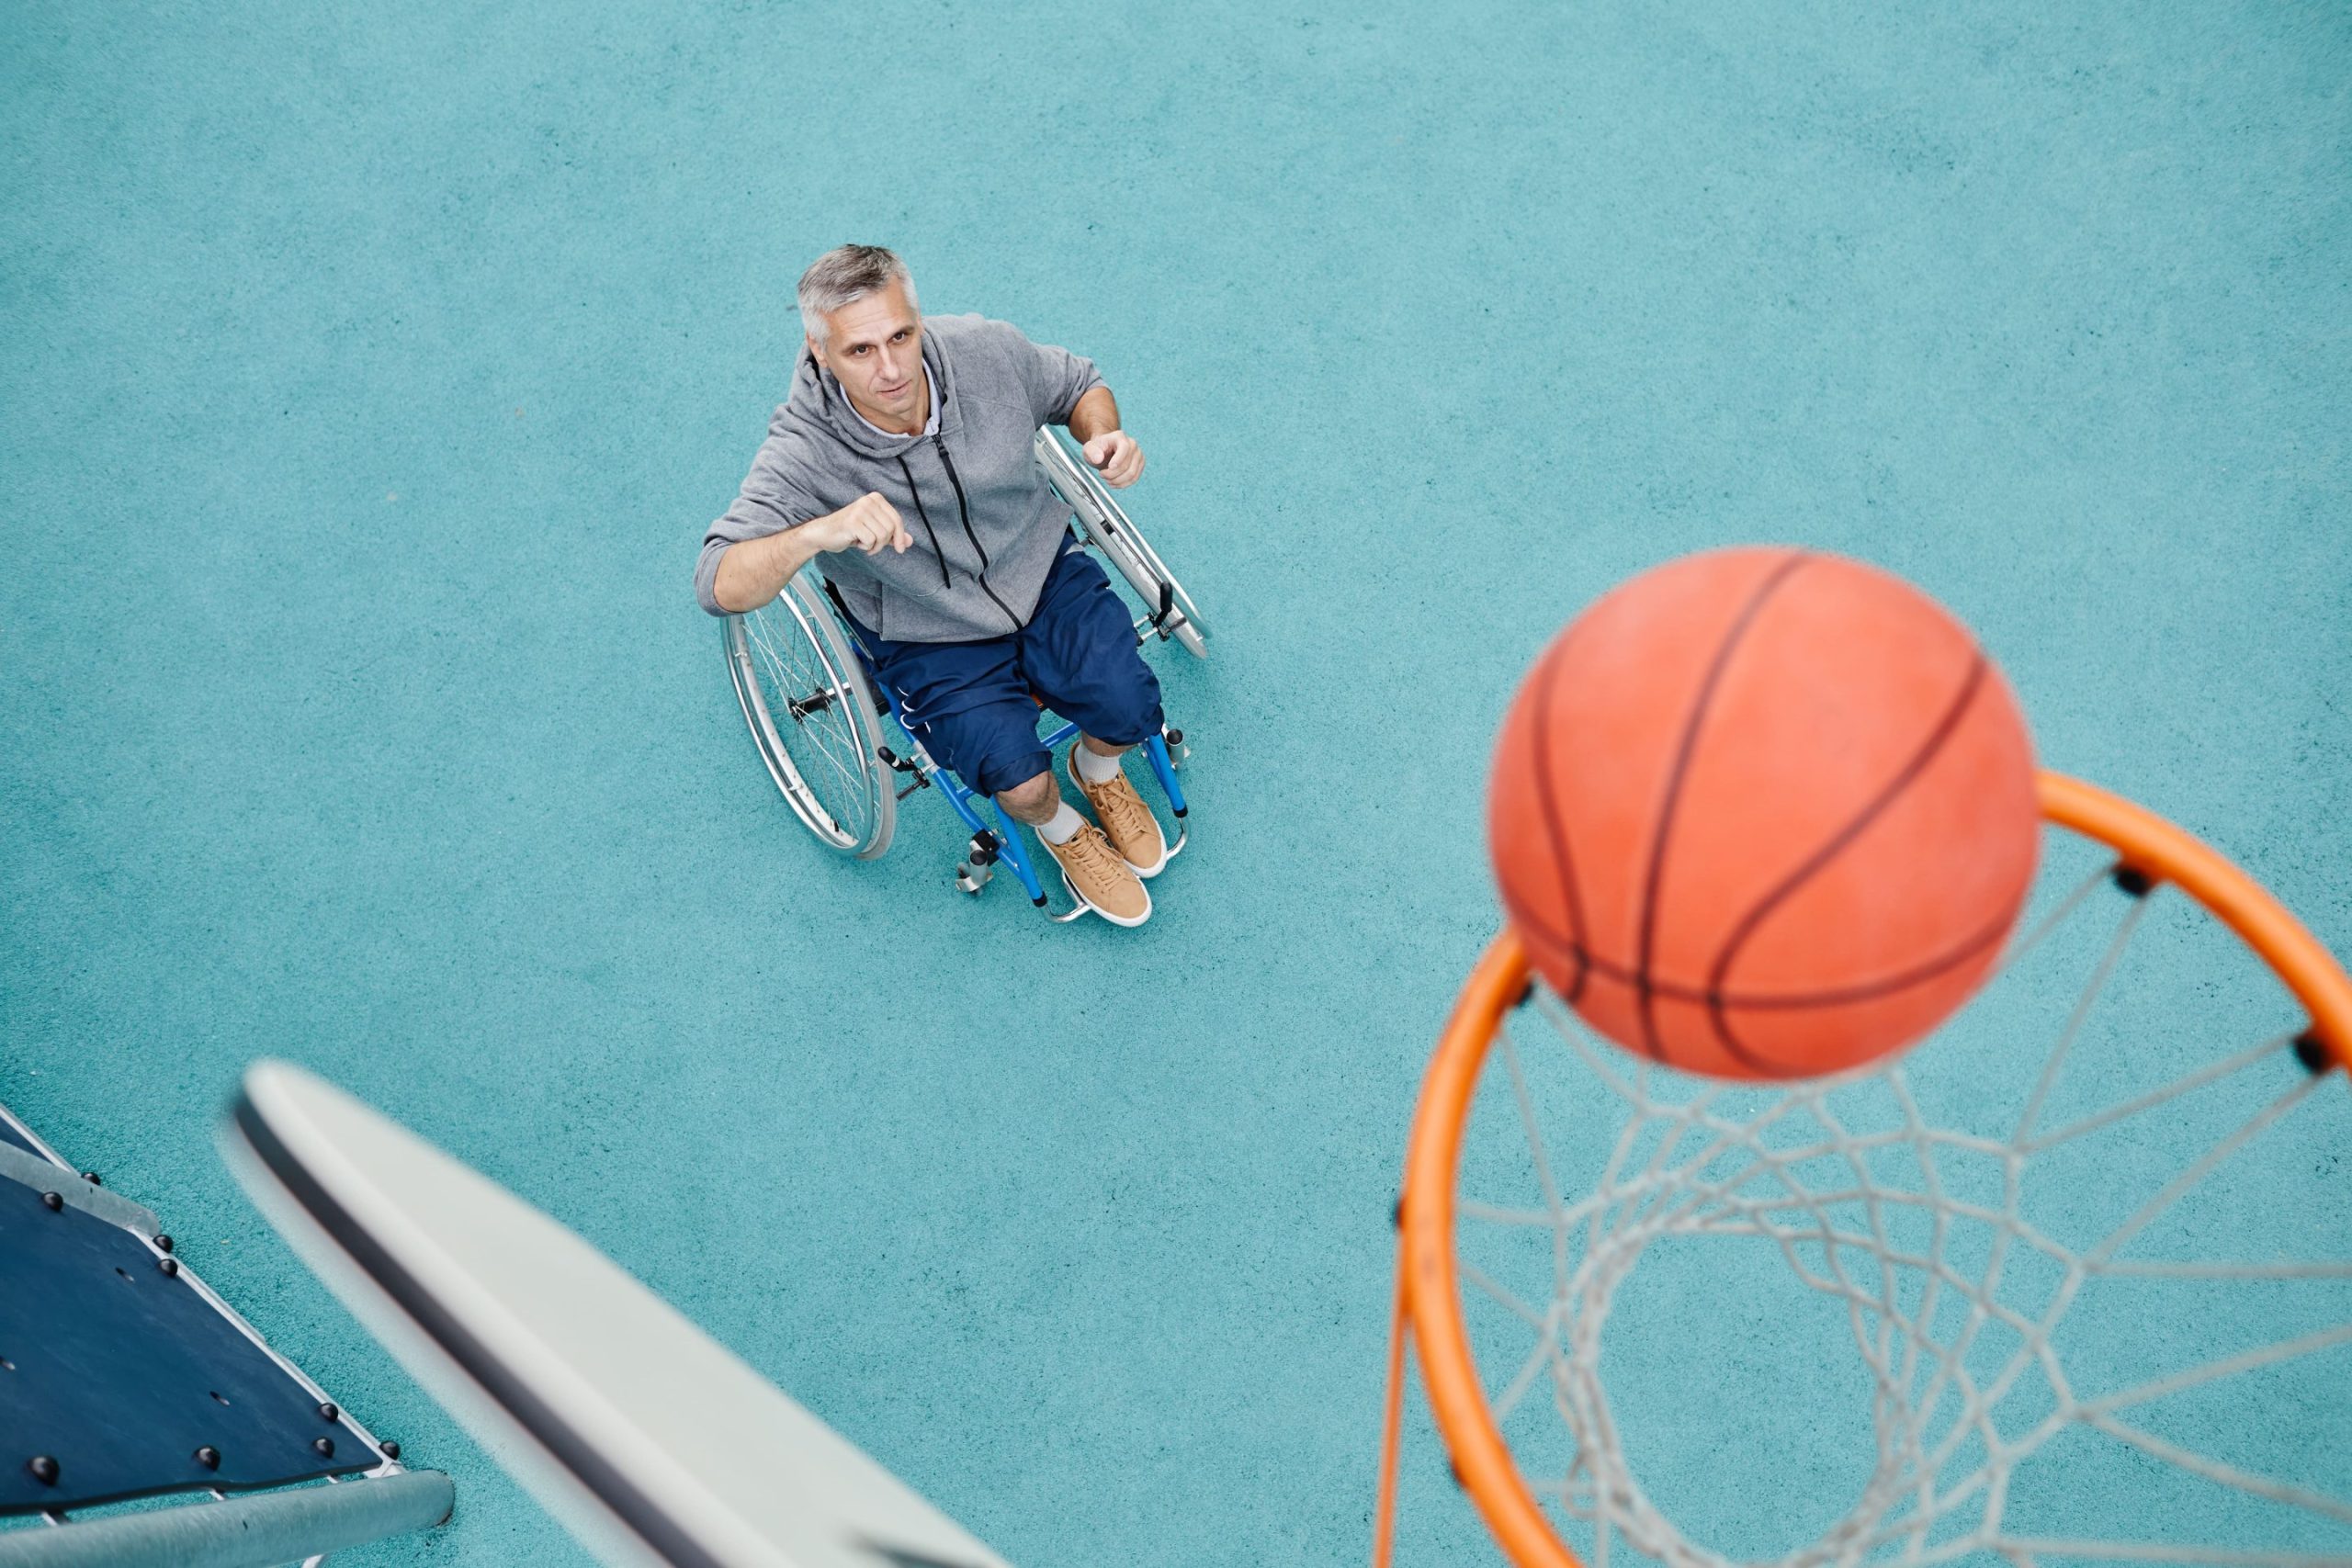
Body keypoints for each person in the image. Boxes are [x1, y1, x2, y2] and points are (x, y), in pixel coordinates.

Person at [696, 244, 1169, 926]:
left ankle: (1098, 773)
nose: (891, 369)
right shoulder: (802, 450)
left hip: (1036, 567)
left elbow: (1079, 385)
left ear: (919, 318)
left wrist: (1107, 436)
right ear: (819, 351)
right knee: (1020, 782)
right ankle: (1061, 827)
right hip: (924, 626)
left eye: (900, 336)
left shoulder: (985, 351)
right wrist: (816, 534)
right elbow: (717, 580)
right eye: (859, 350)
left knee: (1127, 705)